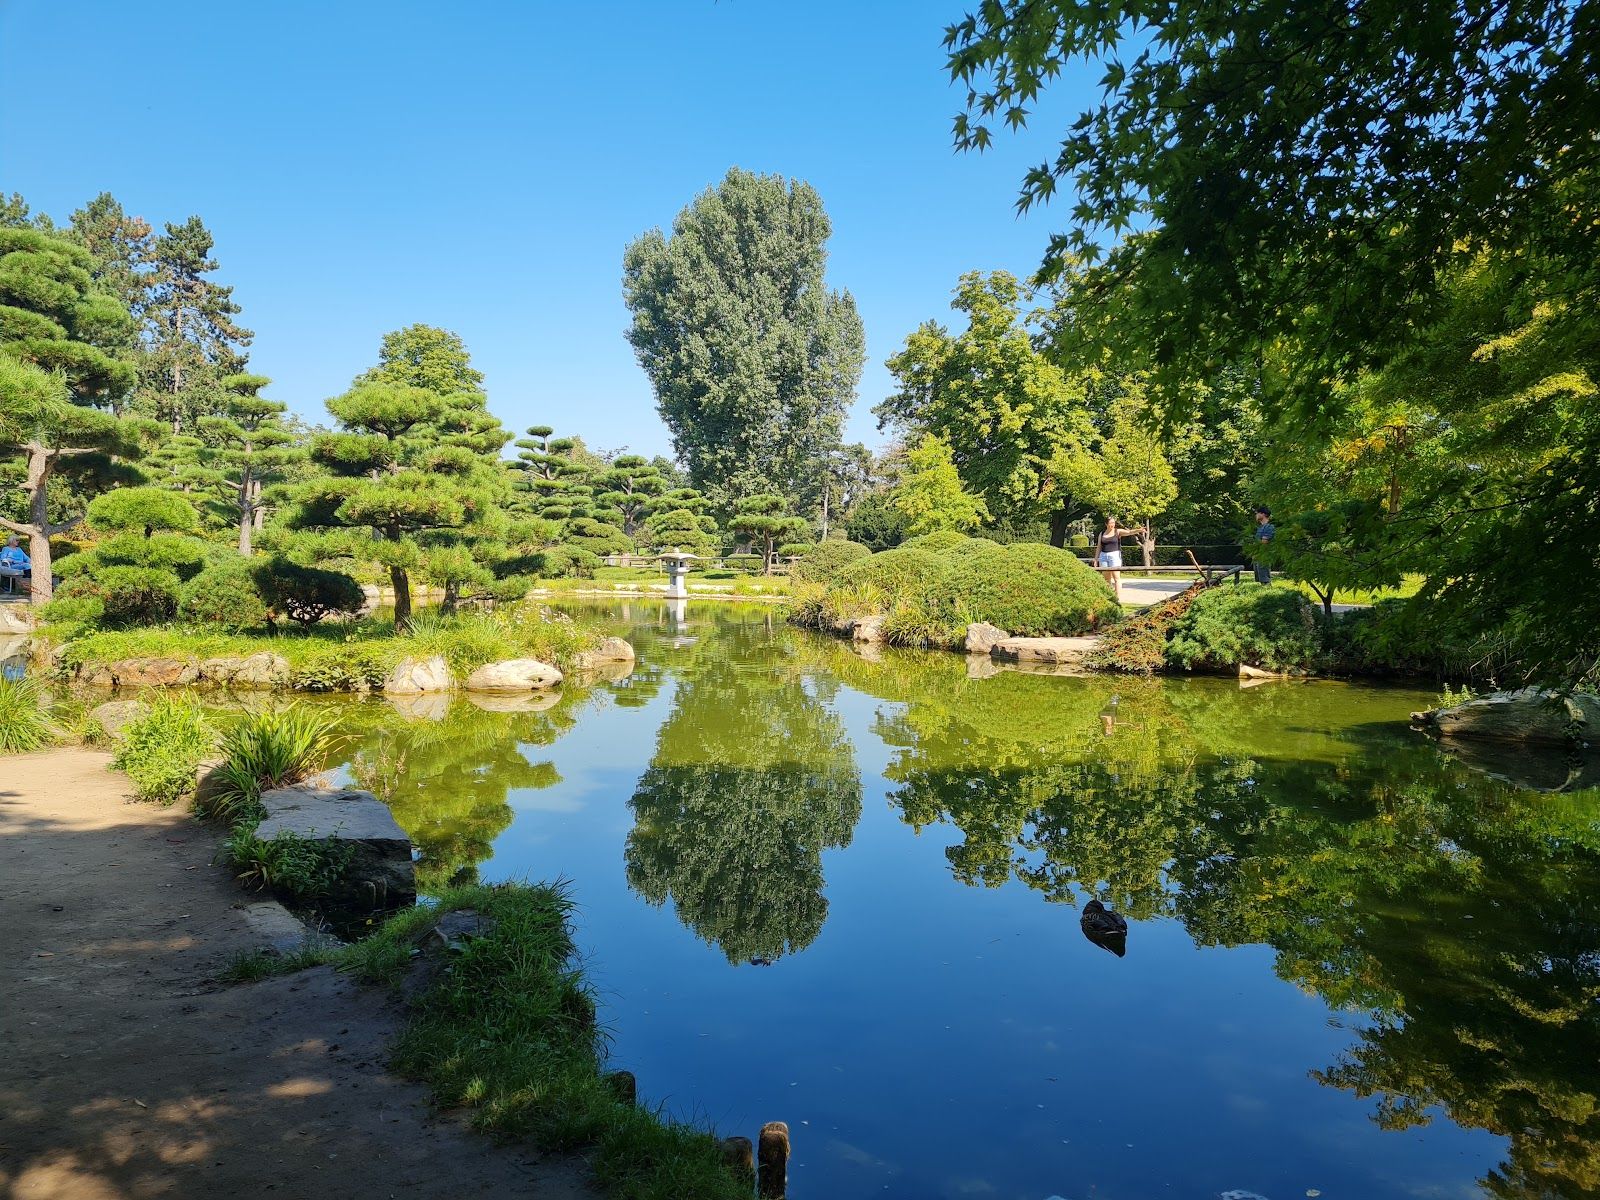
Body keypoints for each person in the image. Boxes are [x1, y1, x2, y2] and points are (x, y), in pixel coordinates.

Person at [1252, 506, 1275, 584]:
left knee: (1265, 579)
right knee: (1260, 577)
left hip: (1264, 553)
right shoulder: (1260, 527)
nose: (1256, 515)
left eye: (1257, 513)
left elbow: (1264, 542)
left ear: (1263, 514)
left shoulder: (1269, 527)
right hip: (1258, 553)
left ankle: (1268, 592)